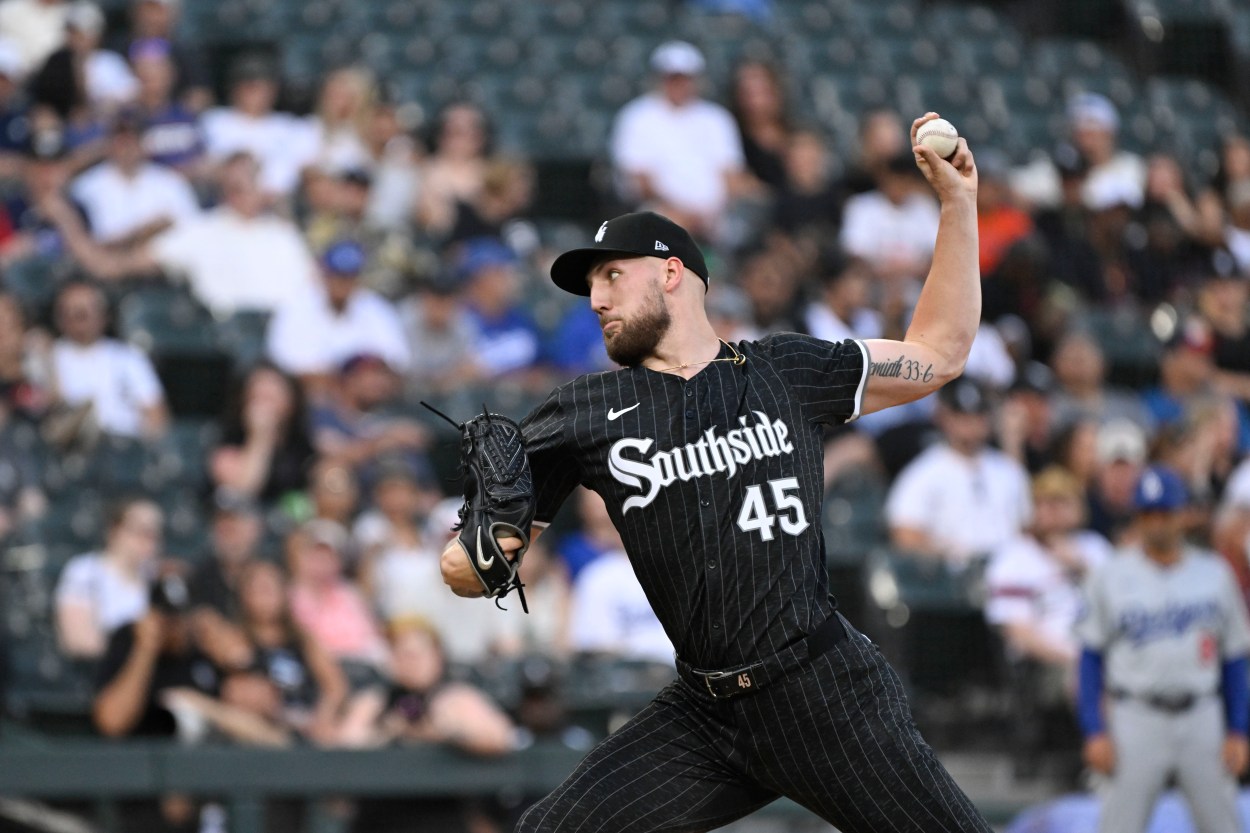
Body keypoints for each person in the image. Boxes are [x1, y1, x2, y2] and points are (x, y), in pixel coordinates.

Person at [440, 113, 994, 832]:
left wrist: (957, 205)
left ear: (672, 273)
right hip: (705, 714)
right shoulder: (582, 411)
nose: (597, 298)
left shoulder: (786, 370)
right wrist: (487, 547)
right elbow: (465, 569)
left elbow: (941, 351)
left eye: (612, 275)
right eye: (590, 286)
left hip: (824, 692)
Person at [1076, 465, 1250, 833]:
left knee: (1223, 826)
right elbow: (1090, 659)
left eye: (1165, 513)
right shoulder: (1109, 575)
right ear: (1137, 517)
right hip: (1135, 716)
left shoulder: (1215, 573)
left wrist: (1238, 729)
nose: (1157, 523)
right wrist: (1095, 730)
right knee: (1119, 826)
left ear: (1182, 514)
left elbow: (1234, 658)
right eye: (1148, 513)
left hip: (1203, 713)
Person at [609, 40, 747, 238]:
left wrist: (713, 212)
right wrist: (682, 213)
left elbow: (731, 174)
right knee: (664, 224)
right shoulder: (637, 116)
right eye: (673, 78)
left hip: (717, 214)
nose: (680, 84)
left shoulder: (716, 118)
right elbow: (640, 180)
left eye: (685, 78)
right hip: (661, 209)